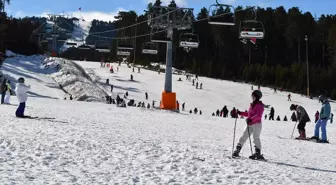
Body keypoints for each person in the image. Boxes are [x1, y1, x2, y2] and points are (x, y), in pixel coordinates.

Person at [233, 90, 264, 160]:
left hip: (257, 124)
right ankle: (237, 150)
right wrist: (240, 113)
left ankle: (258, 153)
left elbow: (258, 115)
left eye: (253, 96)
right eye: (252, 96)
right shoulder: (252, 104)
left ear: (257, 97)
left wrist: (251, 119)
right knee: (244, 136)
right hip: (250, 124)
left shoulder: (260, 105)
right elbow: (249, 114)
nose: (252, 97)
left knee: (256, 138)